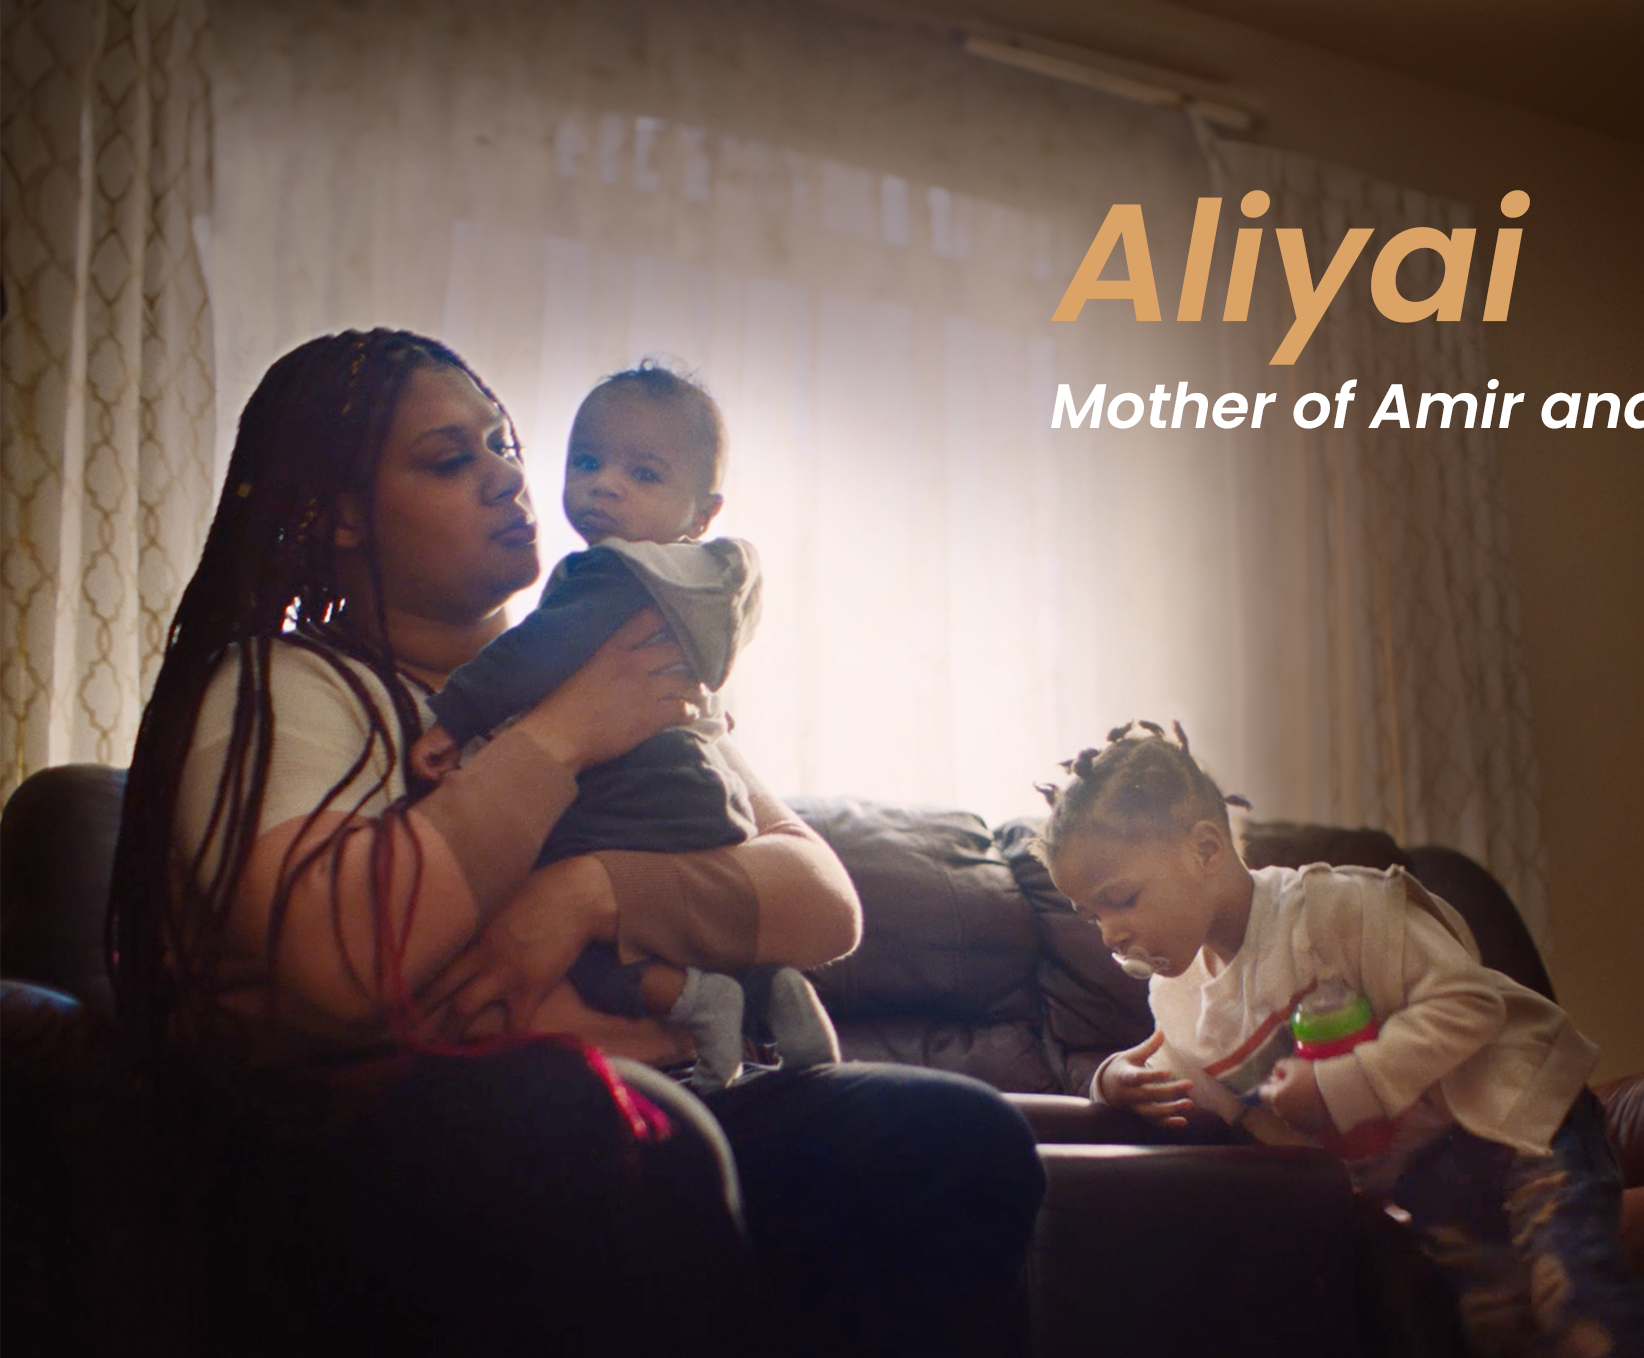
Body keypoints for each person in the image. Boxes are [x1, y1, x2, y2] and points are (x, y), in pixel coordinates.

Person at [108, 329, 1044, 1357]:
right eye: (448, 458)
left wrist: (587, 891)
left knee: (958, 1136)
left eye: (502, 442)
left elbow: (822, 903)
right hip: (430, 1146)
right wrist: (560, 736)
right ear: (335, 516)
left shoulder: (630, 676)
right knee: (612, 1127)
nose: (506, 473)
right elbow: (338, 958)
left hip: (679, 1084)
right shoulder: (280, 687)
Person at [1034, 720, 1644, 1358]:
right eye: (1093, 916)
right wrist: (1109, 1083)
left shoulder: (1334, 910)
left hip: (1518, 1118)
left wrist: (1339, 1083)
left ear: (1204, 849)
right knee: (1499, 1328)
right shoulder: (1177, 1001)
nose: (1110, 935)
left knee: (1574, 1300)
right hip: (1429, 1176)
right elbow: (1209, 1093)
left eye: (1122, 898)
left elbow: (1469, 1003)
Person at [408, 362, 832, 1091]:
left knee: (599, 955)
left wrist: (462, 711)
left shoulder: (603, 575)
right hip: (705, 799)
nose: (605, 484)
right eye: (587, 462)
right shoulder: (697, 593)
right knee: (693, 932)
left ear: (702, 513)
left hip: (632, 795)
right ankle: (766, 992)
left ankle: (706, 1008)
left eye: (643, 474)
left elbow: (535, 652)